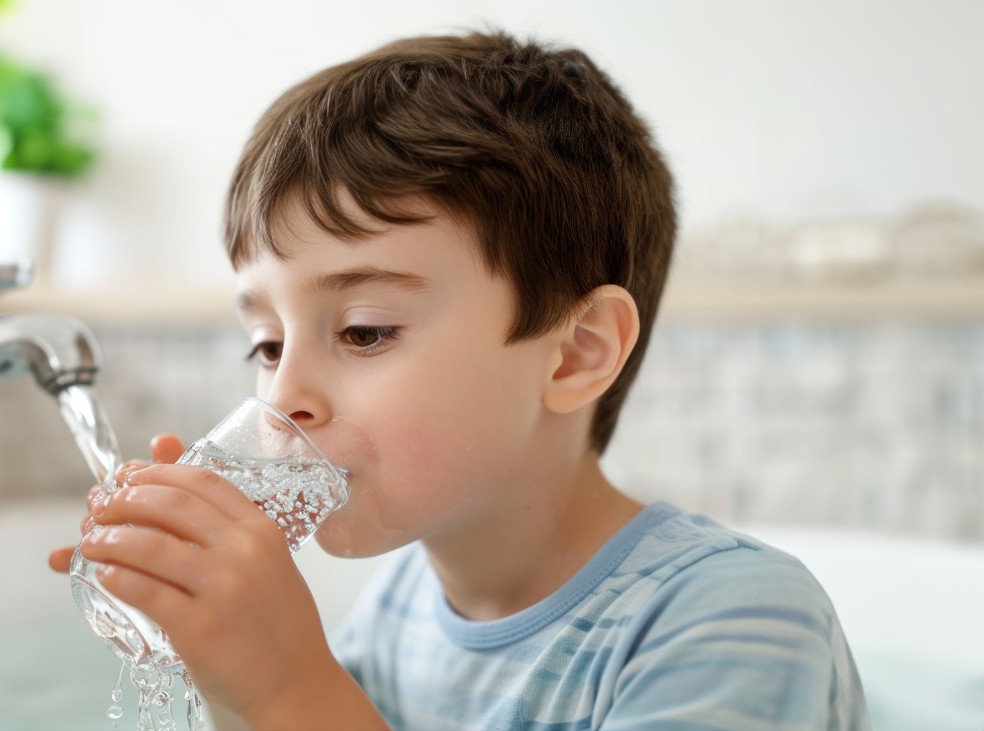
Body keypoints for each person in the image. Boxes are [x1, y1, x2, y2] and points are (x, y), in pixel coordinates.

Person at [48, 30, 869, 730]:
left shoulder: (734, 617)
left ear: (576, 351)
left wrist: (288, 686)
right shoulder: (401, 605)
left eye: (365, 330)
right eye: (265, 344)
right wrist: (221, 668)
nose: (282, 392)